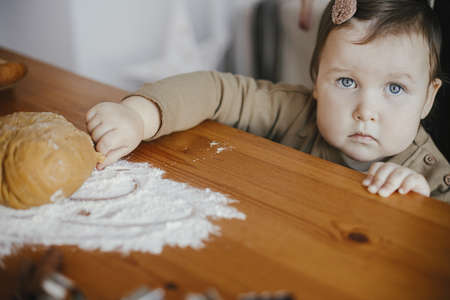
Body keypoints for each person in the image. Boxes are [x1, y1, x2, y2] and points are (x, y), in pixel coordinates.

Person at [86, 0, 450, 202]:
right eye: (345, 81)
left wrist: (422, 212)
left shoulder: (434, 177)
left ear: (427, 99)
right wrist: (139, 115)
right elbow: (216, 90)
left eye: (395, 89)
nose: (366, 111)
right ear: (317, 80)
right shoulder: (296, 112)